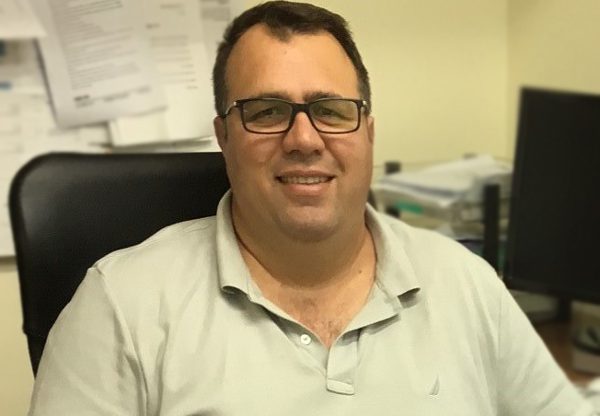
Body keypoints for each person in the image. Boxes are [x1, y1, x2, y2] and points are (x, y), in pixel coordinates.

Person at [29, 1, 594, 415]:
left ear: (367, 132)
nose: (304, 138)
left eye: (331, 109)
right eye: (267, 111)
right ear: (223, 137)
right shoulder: (121, 306)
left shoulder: (468, 285)